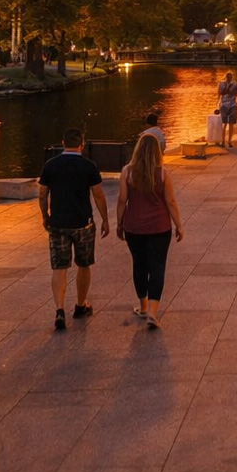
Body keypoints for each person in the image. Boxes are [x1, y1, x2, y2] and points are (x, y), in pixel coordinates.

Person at [38, 129, 109, 331]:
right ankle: (80, 304)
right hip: (83, 223)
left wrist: (45, 216)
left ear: (62, 142)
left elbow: (43, 194)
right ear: (82, 144)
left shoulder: (51, 165)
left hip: (58, 223)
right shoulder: (89, 166)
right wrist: (105, 219)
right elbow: (98, 195)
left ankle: (60, 310)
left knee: (59, 267)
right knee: (83, 264)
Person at [117, 135, 183, 329]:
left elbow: (122, 201)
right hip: (159, 228)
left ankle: (143, 306)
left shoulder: (127, 172)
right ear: (157, 152)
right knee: (157, 267)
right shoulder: (162, 174)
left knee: (139, 264)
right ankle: (153, 313)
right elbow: (170, 202)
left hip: (134, 228)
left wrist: (119, 224)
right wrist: (179, 225)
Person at [217, 71, 237, 149]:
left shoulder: (221, 84)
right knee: (231, 124)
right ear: (232, 77)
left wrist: (218, 105)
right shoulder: (236, 85)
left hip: (223, 105)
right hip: (233, 105)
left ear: (225, 77)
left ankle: (223, 141)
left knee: (224, 124)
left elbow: (218, 95)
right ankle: (229, 141)